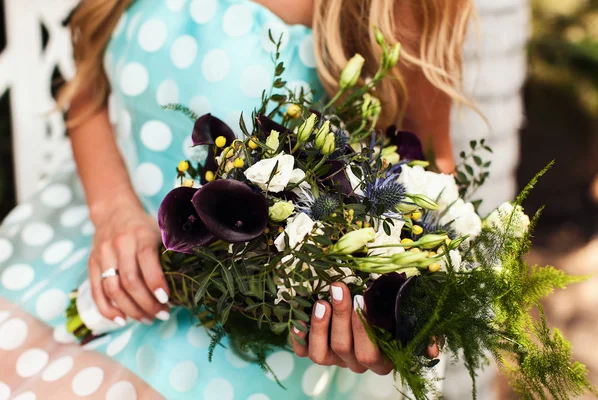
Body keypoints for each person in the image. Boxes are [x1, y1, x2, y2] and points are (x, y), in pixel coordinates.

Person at [0, 0, 473, 398]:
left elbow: (426, 173)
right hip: (87, 234)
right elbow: (86, 89)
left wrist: (382, 307)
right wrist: (114, 211)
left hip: (256, 324)